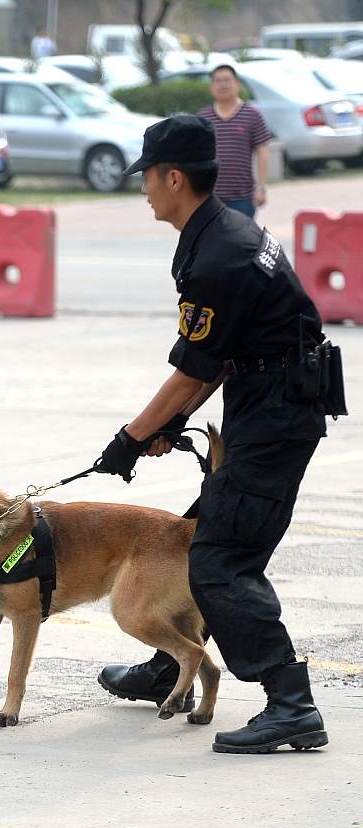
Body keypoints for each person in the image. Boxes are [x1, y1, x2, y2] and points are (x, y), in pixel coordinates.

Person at [92, 115, 334, 754]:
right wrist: (166, 425)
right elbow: (219, 355)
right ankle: (170, 665)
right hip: (267, 400)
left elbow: (195, 367)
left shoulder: (219, 256)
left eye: (147, 175)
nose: (143, 187)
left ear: (174, 178)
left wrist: (130, 437)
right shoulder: (219, 233)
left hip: (276, 415)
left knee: (222, 558)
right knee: (204, 533)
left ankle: (291, 703)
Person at [196, 64, 271, 219]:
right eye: (218, 81)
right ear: (211, 87)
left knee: (241, 234)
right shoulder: (203, 118)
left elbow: (262, 151)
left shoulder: (252, 114)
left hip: (243, 197)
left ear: (237, 83)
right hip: (209, 197)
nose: (223, 85)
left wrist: (261, 188)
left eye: (227, 80)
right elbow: (196, 155)